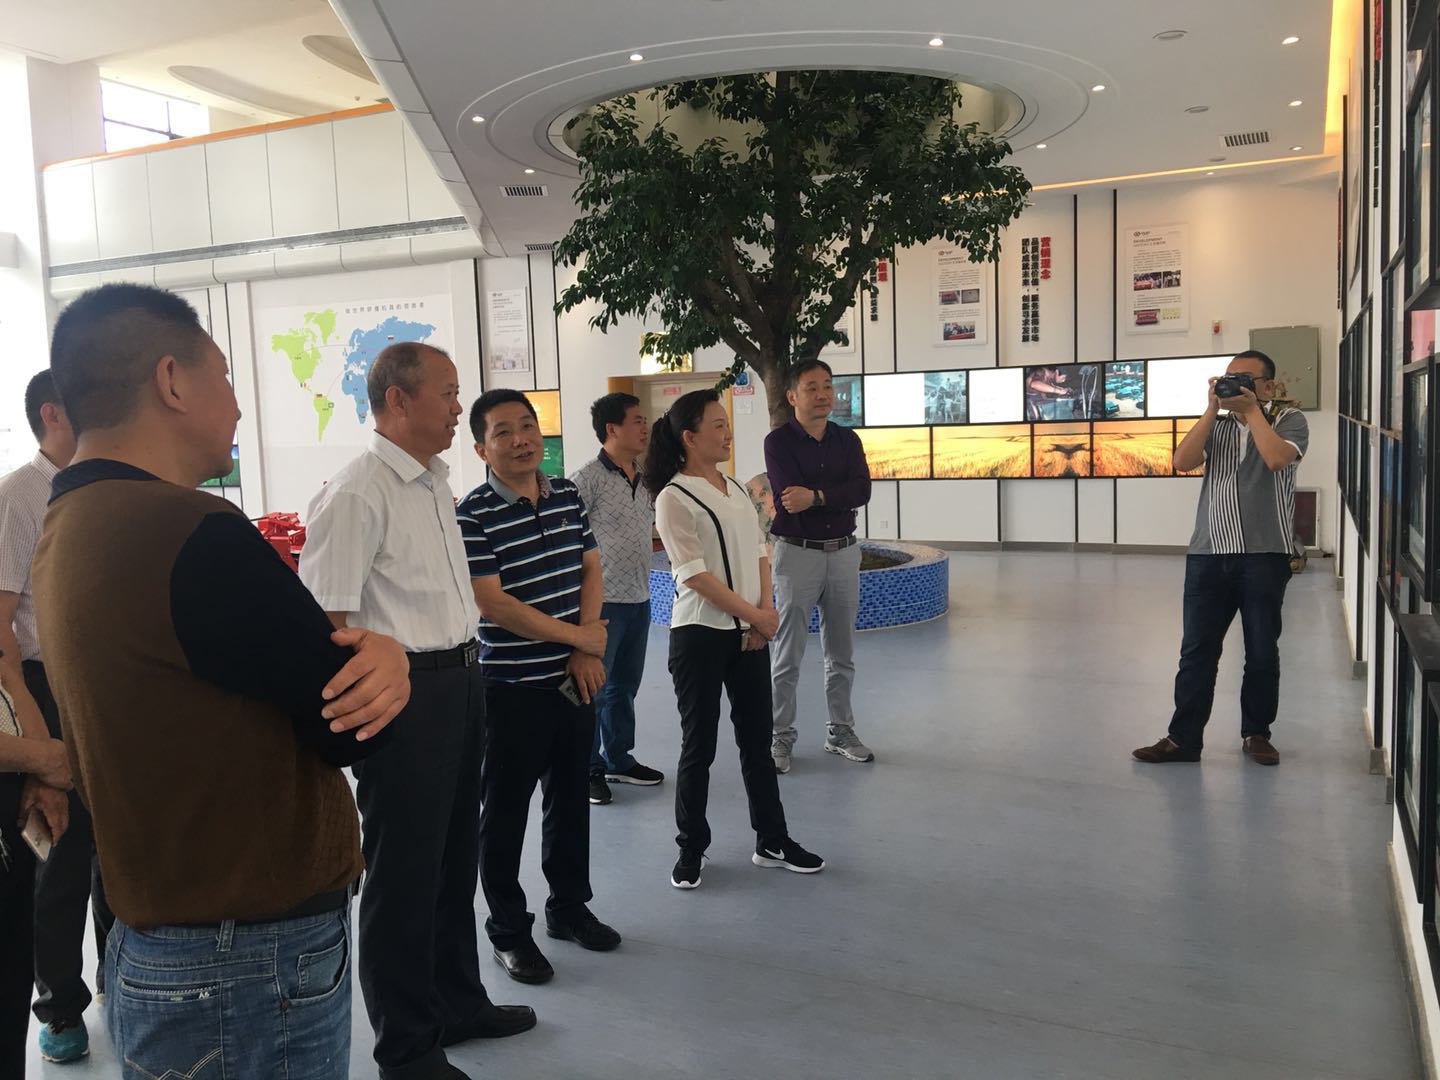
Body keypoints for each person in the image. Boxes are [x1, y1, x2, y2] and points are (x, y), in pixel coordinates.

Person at [31, 282, 412, 1079]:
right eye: (227, 377)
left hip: (162, 937)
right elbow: (350, 719)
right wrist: (390, 659)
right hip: (246, 963)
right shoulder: (189, 530)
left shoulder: (69, 522)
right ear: (172, 381)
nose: (238, 405)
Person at [300, 343, 534, 1080]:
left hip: (462, 680)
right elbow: (324, 622)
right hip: (402, 700)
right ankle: (406, 1049)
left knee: (454, 859)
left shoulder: (433, 482)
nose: (459, 407)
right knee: (403, 875)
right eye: (448, 392)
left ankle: (457, 1003)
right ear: (398, 400)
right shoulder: (357, 493)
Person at [458, 389, 620, 986]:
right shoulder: (472, 514)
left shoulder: (567, 495)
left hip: (574, 680)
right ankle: (508, 931)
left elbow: (590, 567)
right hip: (511, 687)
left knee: (570, 798)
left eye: (528, 426)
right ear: (482, 448)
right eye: (503, 431)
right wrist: (581, 639)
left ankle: (569, 909)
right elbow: (493, 603)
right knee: (504, 813)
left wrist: (584, 647)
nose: (521, 439)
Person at [647, 389, 825, 890]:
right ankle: (691, 848)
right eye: (718, 425)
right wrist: (757, 617)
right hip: (700, 636)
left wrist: (764, 612)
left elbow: (761, 550)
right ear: (690, 437)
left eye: (727, 424)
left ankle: (772, 840)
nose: (727, 433)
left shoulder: (735, 488)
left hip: (749, 634)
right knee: (698, 746)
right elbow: (694, 575)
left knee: (756, 742)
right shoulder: (673, 497)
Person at [0, 370, 112, 1065]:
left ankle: (120, 986)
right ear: (52, 414)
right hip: (46, 686)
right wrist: (35, 735)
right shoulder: (20, 494)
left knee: (117, 848)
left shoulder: (99, 486)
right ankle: (61, 1005)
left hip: (104, 683)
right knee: (60, 854)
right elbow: (3, 629)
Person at [1133, 350, 1309, 767]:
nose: (1235, 386)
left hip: (1264, 555)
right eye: (1228, 379)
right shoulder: (1218, 424)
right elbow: (1182, 461)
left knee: (1261, 651)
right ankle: (1183, 739)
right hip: (1208, 553)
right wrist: (1212, 409)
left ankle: (1256, 733)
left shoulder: (1289, 420)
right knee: (1196, 652)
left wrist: (1252, 412)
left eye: (1245, 379)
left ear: (1268, 386)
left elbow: (1276, 459)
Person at [765, 360, 873, 774]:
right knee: (787, 654)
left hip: (844, 553)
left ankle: (840, 730)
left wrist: (817, 496)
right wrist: (829, 495)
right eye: (812, 387)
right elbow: (788, 498)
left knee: (841, 652)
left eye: (827, 385)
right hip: (797, 554)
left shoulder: (847, 440)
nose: (823, 394)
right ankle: (780, 735)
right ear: (792, 396)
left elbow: (861, 490)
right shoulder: (778, 443)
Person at [570, 392, 664, 806]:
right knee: (592, 689)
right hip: (601, 604)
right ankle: (588, 766)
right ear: (612, 429)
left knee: (625, 686)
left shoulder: (646, 475)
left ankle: (619, 758)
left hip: (639, 598)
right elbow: (569, 540)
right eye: (637, 420)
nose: (645, 428)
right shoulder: (586, 479)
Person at [0, 671, 69, 1078]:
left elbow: (9, 674)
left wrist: (43, 774)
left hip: (9, 818)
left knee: (10, 992)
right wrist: (42, 759)